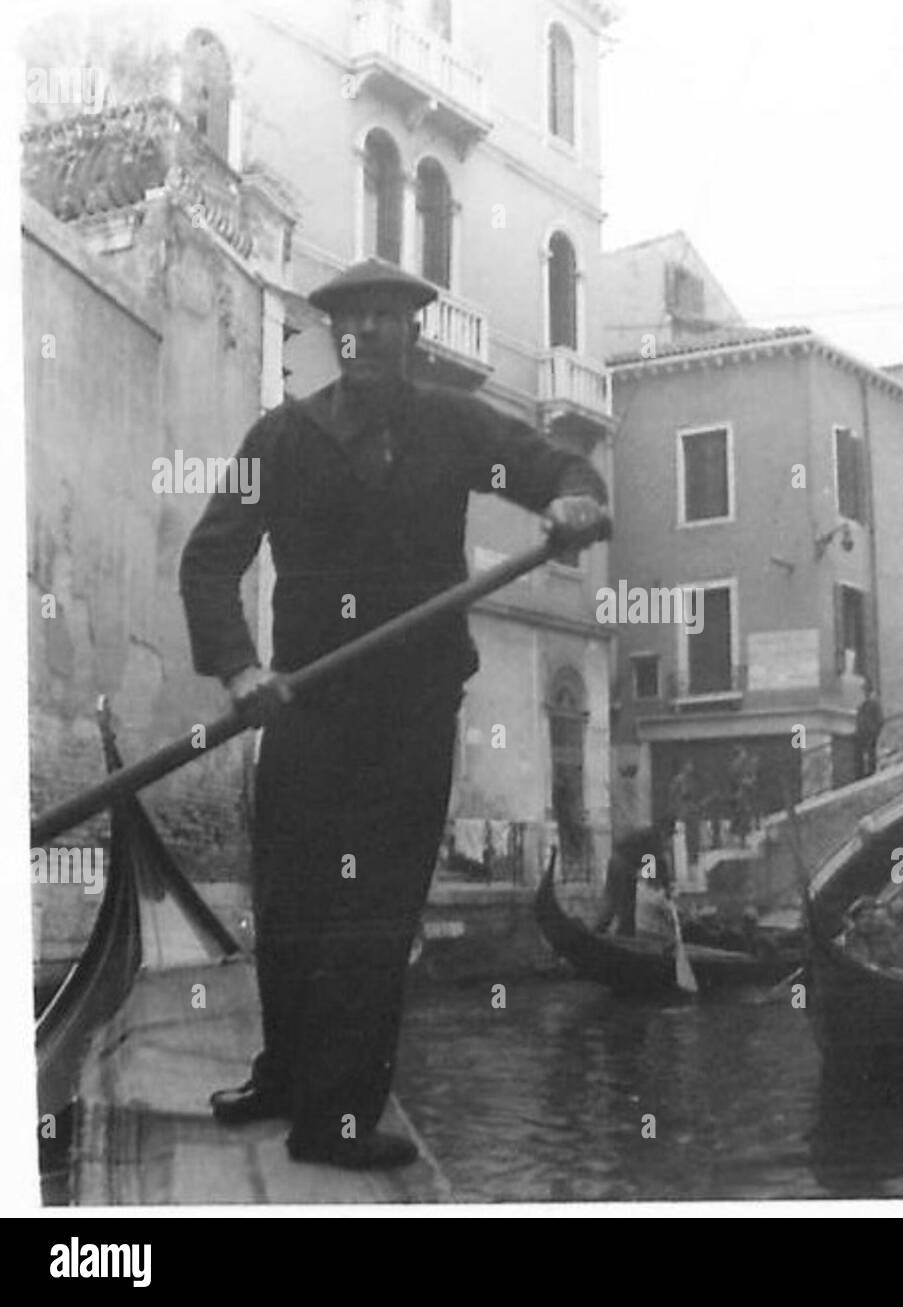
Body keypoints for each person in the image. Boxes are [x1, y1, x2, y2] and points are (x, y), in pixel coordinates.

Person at [179, 258, 608, 1170]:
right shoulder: (281, 440)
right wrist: (238, 667)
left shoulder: (453, 428)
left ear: (413, 333)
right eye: (351, 320)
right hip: (305, 704)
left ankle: (335, 1118)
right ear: (333, 337)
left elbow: (550, 463)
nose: (367, 332)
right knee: (293, 904)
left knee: (373, 912)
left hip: (409, 713)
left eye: (385, 318)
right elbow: (210, 562)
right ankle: (287, 1076)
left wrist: (576, 498)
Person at [593, 825, 668, 938]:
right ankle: (625, 939)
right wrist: (664, 888)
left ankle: (599, 932)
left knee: (613, 902)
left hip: (616, 863)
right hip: (624, 867)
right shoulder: (654, 841)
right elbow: (652, 872)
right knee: (625, 907)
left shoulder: (648, 835)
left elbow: (650, 870)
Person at [854, 681, 884, 778]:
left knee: (871, 753)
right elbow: (859, 719)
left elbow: (880, 720)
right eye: (864, 691)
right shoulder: (863, 705)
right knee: (863, 754)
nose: (865, 693)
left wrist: (874, 731)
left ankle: (872, 771)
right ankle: (864, 772)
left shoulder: (874, 704)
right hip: (863, 734)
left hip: (871, 734)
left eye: (867, 691)